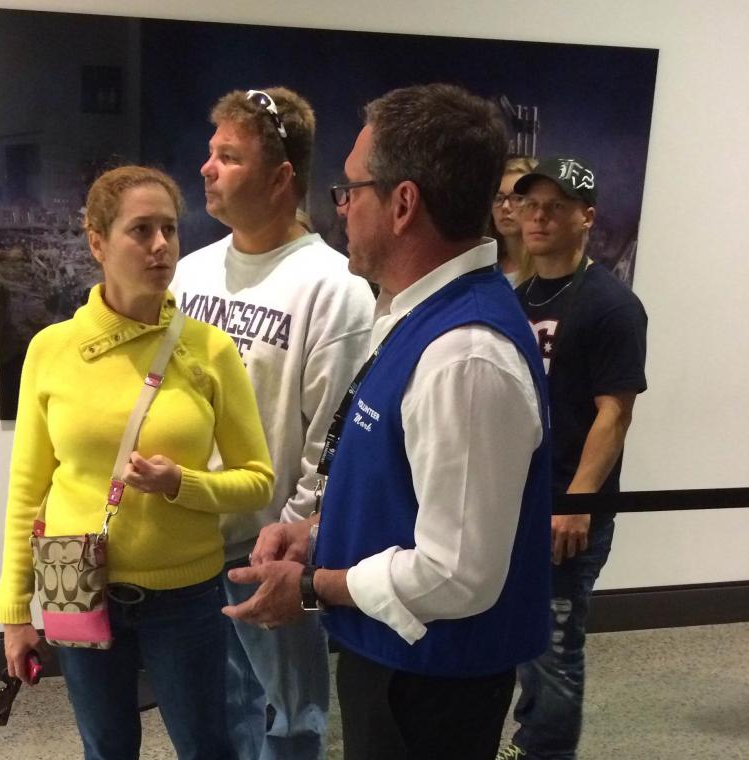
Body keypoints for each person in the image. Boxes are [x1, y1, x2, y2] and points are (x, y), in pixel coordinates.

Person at [223, 83, 553, 760]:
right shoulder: (413, 314)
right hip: (397, 661)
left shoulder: (465, 356)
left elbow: (457, 575)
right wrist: (316, 534)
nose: (339, 208)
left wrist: (313, 588)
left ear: (402, 203)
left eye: (351, 190)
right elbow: (402, 489)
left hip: (432, 686)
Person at [0, 166, 274, 760]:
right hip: (79, 585)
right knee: (107, 749)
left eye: (170, 229)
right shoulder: (51, 351)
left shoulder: (209, 349)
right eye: (140, 230)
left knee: (207, 747)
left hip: (185, 595)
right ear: (96, 241)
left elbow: (257, 481)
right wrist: (16, 612)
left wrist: (183, 484)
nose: (160, 247)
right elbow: (27, 491)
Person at [171, 86, 374, 760]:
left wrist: (292, 540)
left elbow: (332, 435)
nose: (208, 168)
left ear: (281, 176)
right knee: (211, 714)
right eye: (211, 152)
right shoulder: (189, 275)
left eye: (229, 156)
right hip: (189, 543)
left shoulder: (332, 285)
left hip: (267, 547)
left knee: (290, 720)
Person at [498, 157, 648, 760]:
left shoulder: (612, 306)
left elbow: (614, 414)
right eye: (529, 204)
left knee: (556, 648)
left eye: (555, 207)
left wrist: (578, 504)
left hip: (568, 511)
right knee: (522, 638)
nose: (537, 216)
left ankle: (545, 751)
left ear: (586, 217)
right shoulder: (514, 298)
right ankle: (529, 737)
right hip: (515, 502)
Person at [491, 156, 539, 286]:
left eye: (517, 198)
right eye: (498, 197)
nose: (505, 206)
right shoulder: (487, 269)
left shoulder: (548, 269)